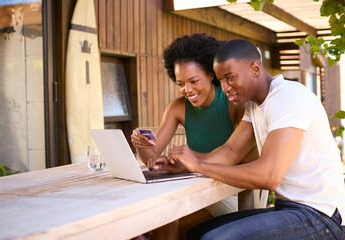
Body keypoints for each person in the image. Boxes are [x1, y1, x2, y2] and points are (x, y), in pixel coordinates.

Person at [164, 39, 345, 239]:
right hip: (289, 209)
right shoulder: (254, 106)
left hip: (322, 216)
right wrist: (183, 164)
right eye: (220, 80)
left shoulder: (288, 97)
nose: (224, 87)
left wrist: (199, 165)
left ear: (255, 68)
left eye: (230, 78)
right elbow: (230, 151)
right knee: (197, 233)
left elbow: (268, 176)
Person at [130, 33, 250, 239]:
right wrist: (142, 144)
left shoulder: (233, 103)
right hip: (191, 189)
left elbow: (239, 156)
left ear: (211, 75)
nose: (187, 90)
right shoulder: (178, 107)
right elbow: (153, 157)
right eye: (180, 84)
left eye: (193, 81)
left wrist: (191, 160)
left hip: (226, 190)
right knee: (161, 216)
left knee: (163, 219)